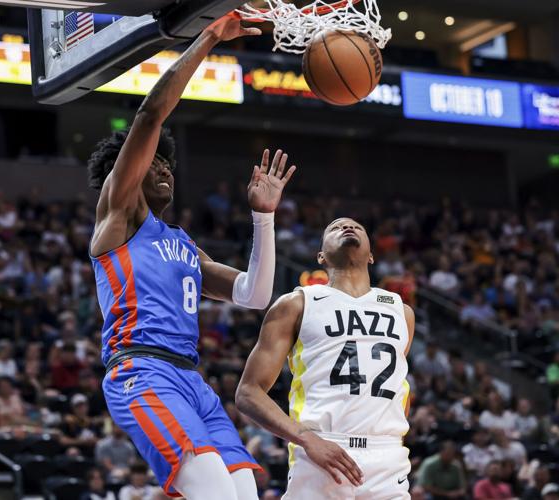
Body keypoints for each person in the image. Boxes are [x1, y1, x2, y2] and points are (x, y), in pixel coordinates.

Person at [88, 15, 293, 500]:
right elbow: (149, 117)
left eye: (168, 164)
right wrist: (210, 38)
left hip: (191, 381)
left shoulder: (182, 244)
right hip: (142, 370)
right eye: (154, 161)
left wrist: (262, 217)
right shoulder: (117, 219)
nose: (164, 167)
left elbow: (254, 294)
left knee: (243, 493)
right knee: (217, 494)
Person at [236, 217, 415, 499]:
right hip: (322, 450)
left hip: (388, 457)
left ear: (371, 255)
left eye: (358, 226)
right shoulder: (296, 303)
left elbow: (395, 389)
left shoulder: (401, 311)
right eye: (335, 227)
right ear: (321, 256)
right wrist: (306, 438)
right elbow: (248, 392)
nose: (348, 227)